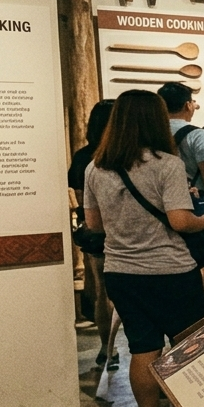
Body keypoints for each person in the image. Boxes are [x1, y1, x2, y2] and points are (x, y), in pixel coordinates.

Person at [82, 90, 204, 407]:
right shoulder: (166, 164)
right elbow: (179, 219)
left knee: (143, 348)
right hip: (171, 270)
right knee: (187, 347)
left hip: (122, 272)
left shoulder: (96, 167)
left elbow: (94, 224)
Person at [158, 82, 204, 303]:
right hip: (196, 204)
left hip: (160, 205)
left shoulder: (152, 132)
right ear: (188, 104)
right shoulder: (197, 134)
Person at [71, 99, 115, 332]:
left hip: (93, 229)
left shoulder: (82, 157)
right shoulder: (120, 155)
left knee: (102, 291)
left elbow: (77, 194)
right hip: (121, 228)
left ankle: (106, 348)